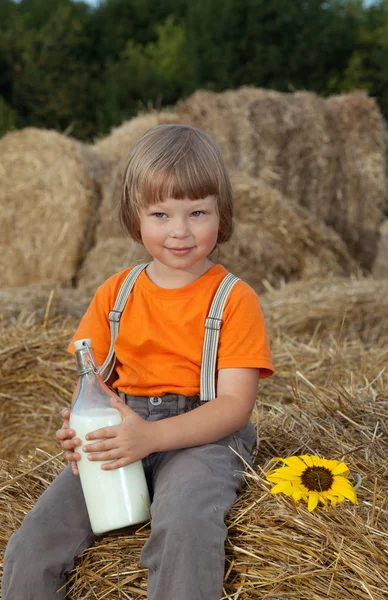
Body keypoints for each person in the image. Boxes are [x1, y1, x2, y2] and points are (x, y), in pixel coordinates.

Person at [2, 124, 274, 600]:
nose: (180, 230)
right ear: (136, 218)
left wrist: (151, 437)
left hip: (200, 437)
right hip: (121, 428)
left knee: (185, 527)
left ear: (221, 214)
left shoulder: (234, 299)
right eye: (161, 213)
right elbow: (93, 386)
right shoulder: (115, 294)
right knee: (31, 544)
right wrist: (77, 431)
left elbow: (234, 406)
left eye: (197, 212)